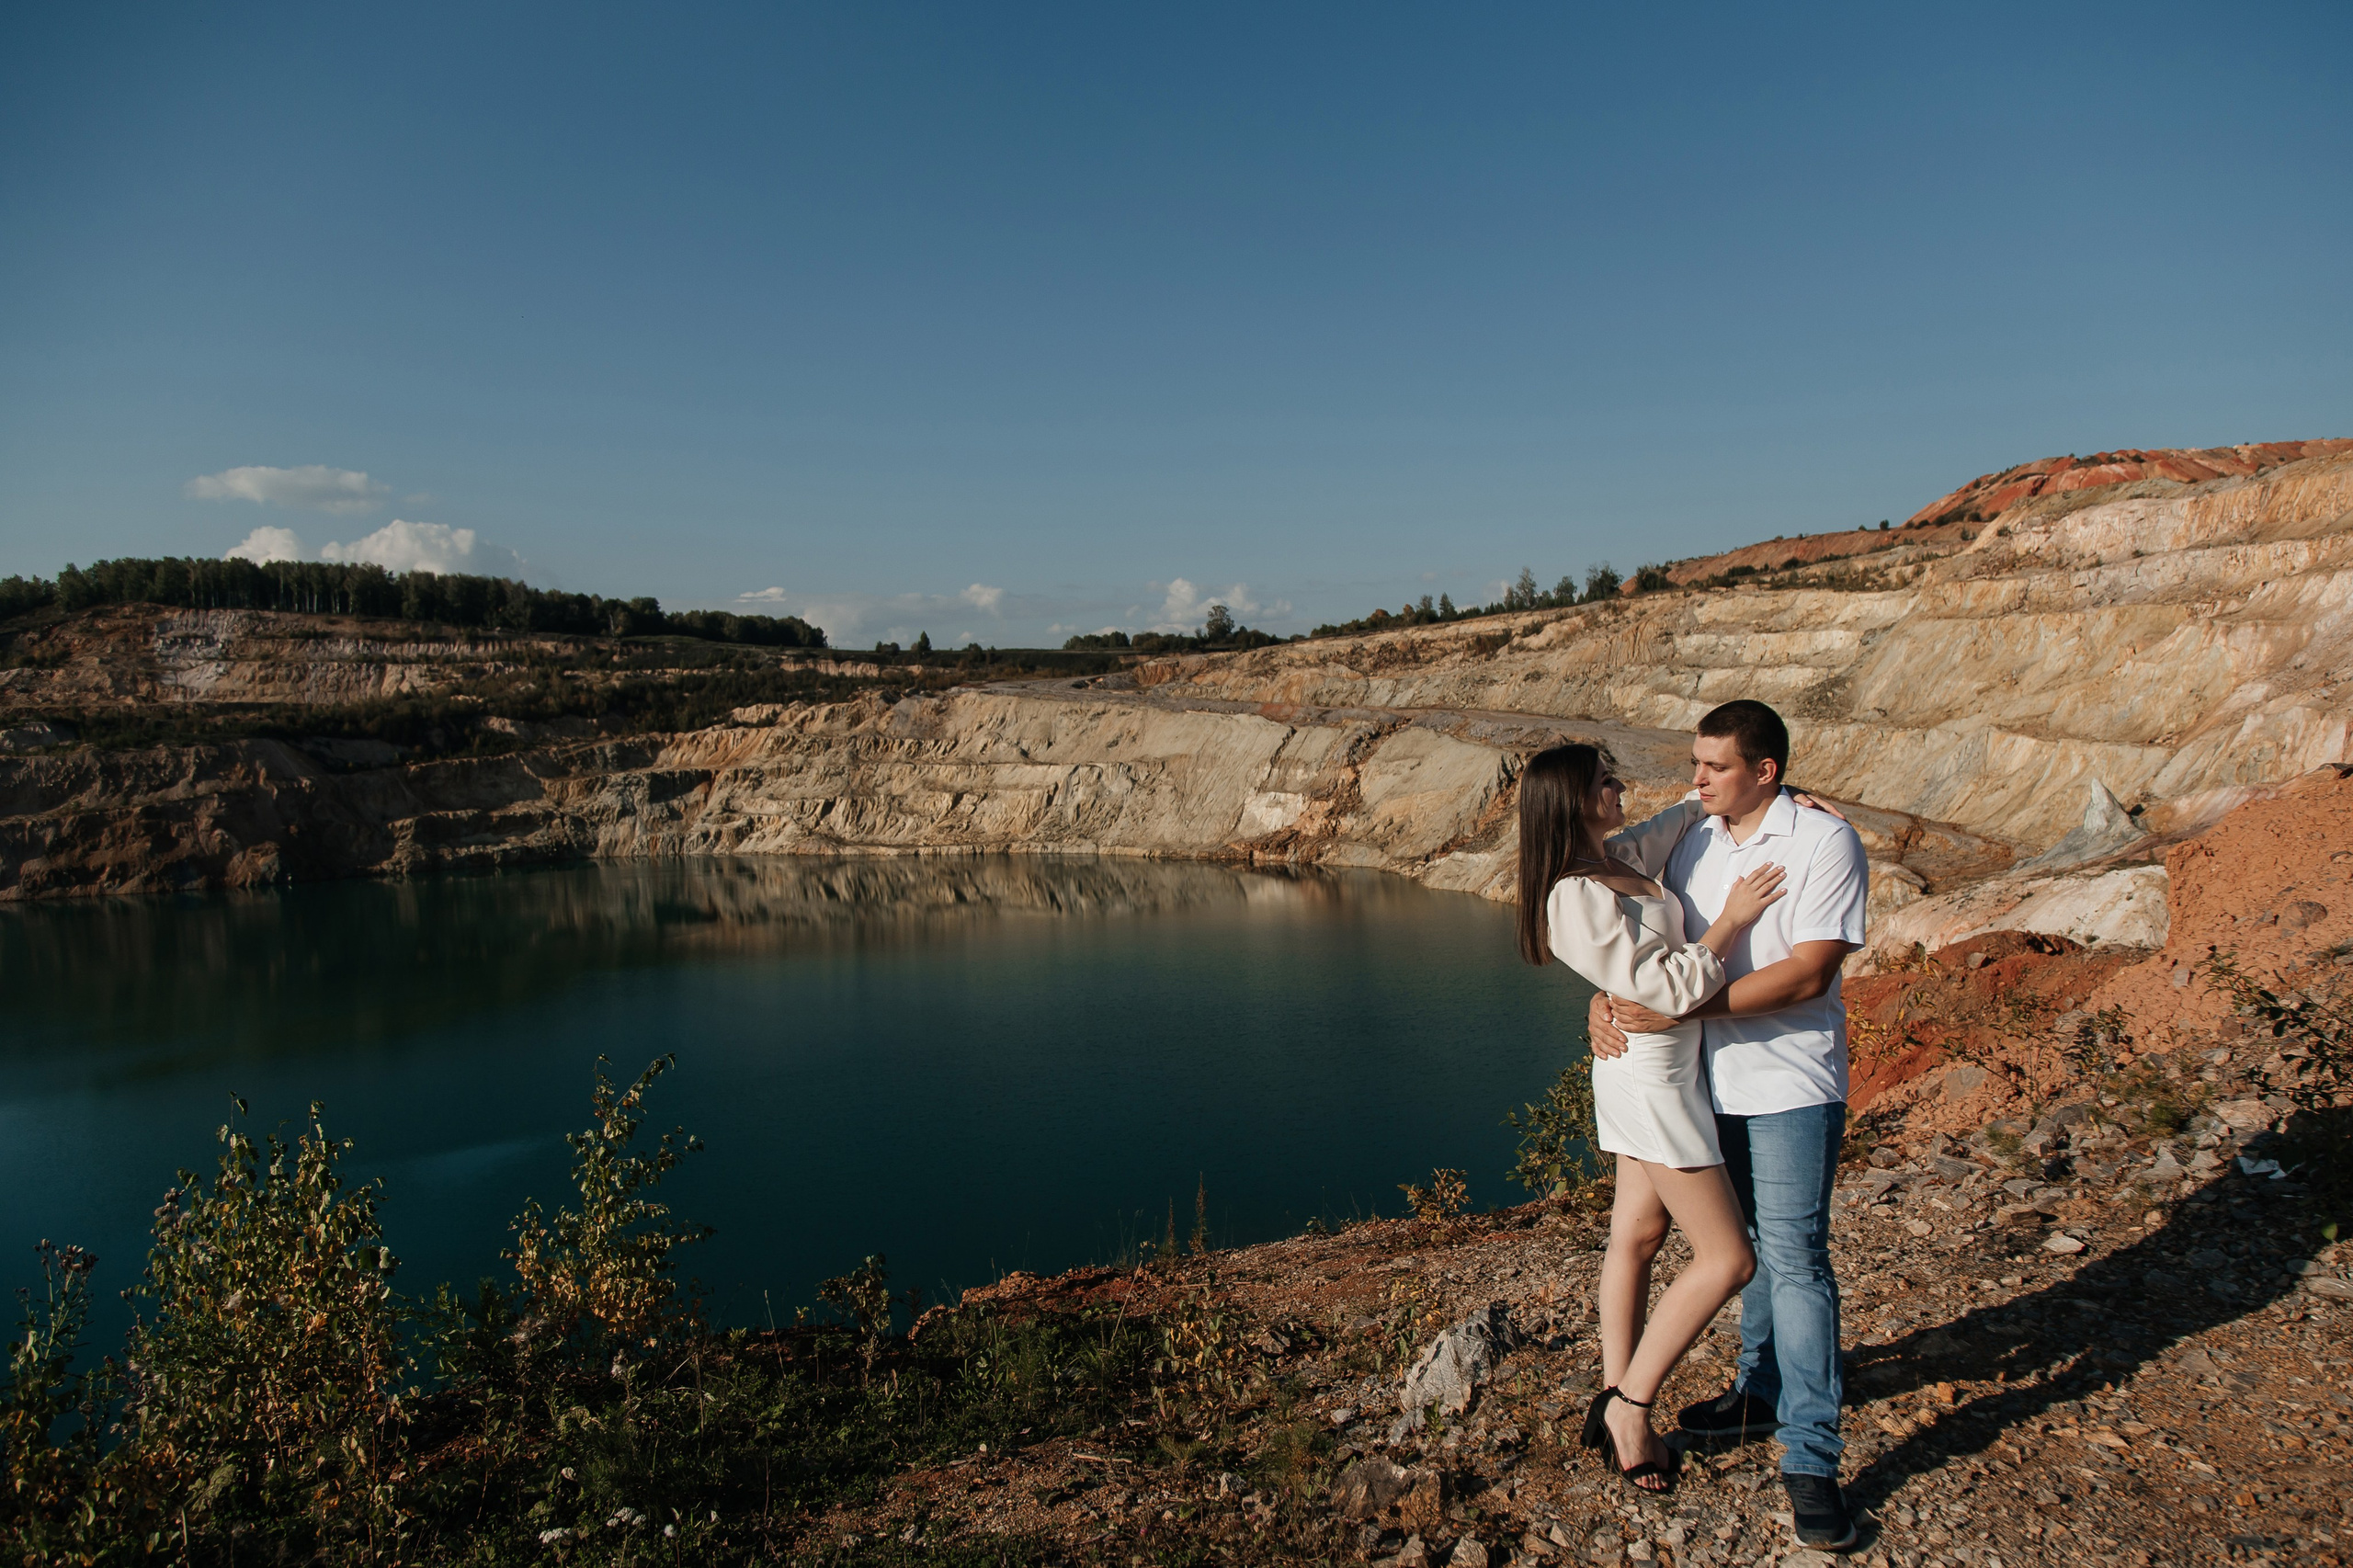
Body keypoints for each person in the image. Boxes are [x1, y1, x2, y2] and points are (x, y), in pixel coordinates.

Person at [1589, 699, 1869, 1551]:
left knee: (1794, 1259)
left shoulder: (1824, 843)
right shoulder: (1695, 837)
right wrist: (1605, 1001)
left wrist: (1677, 1010)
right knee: (1744, 1254)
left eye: (1714, 766)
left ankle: (1812, 1460)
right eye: (1696, 763)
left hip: (1787, 1085)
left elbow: (1806, 977)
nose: (1696, 778)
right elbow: (1637, 944)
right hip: (1703, 1088)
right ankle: (1758, 1392)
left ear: (1766, 772)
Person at [1514, 743, 1787, 1494]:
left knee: (1636, 1235)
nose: (1619, 787)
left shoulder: (1622, 853)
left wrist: (1790, 805)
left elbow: (1690, 811)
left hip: (1659, 1072)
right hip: (1651, 1081)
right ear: (1571, 800)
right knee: (1729, 1259)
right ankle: (1633, 1409)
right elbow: (1666, 988)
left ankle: (1611, 1395)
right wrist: (1729, 923)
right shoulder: (1573, 893)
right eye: (1605, 781)